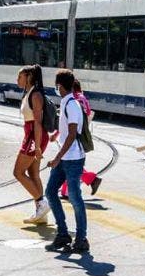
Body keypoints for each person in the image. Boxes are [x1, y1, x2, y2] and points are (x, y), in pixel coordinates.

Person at [43, 69, 90, 254]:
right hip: (65, 157)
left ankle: (81, 239)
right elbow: (66, 130)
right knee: (51, 192)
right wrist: (56, 135)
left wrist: (57, 158)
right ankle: (63, 234)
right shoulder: (67, 103)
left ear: (60, 86)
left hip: (73, 159)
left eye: (57, 85)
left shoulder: (72, 105)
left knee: (75, 197)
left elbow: (72, 134)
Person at [15, 65, 50, 225]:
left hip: (34, 137)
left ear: (29, 77)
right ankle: (41, 214)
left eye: (20, 77)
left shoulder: (35, 95)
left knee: (18, 172)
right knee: (33, 173)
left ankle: (42, 203)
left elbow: (37, 122)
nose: (17, 80)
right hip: (32, 136)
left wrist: (36, 146)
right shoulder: (29, 93)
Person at [56, 80, 102, 198]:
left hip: (71, 137)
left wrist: (56, 133)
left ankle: (91, 179)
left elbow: (67, 122)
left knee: (70, 164)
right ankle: (65, 191)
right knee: (70, 164)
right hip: (81, 134)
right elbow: (87, 112)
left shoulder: (72, 100)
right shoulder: (82, 98)